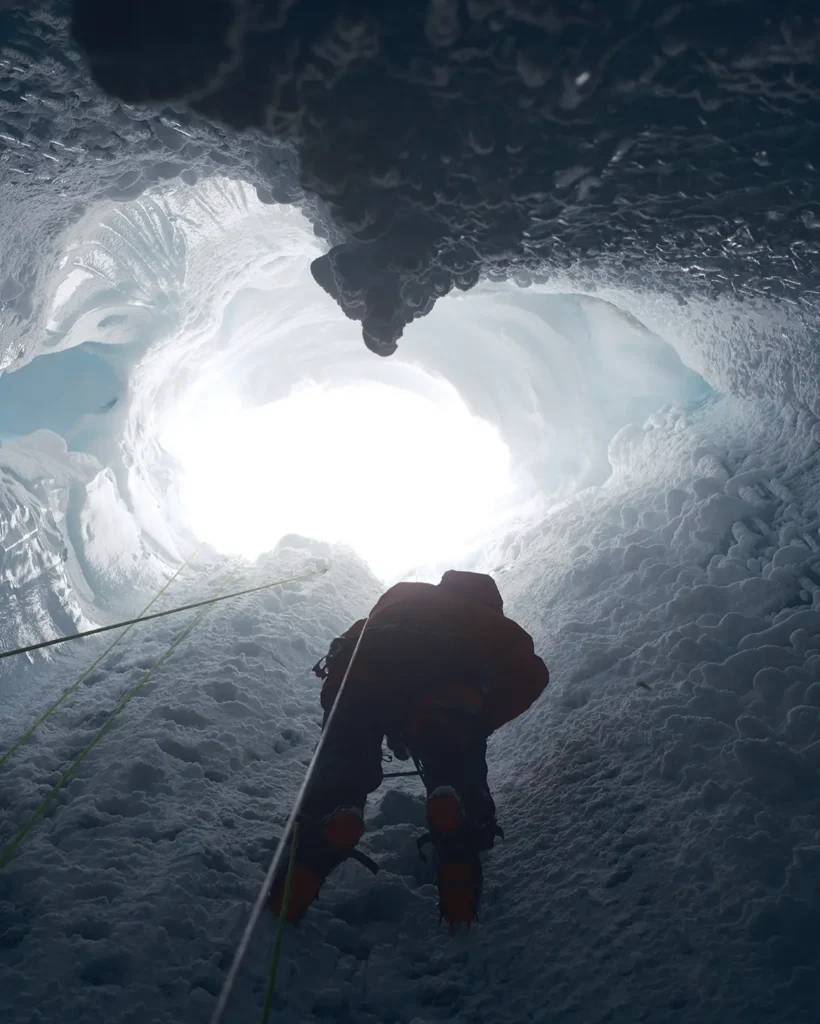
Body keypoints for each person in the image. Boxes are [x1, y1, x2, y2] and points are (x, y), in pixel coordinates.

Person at [270, 570, 549, 932]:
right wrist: (480, 720)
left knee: (344, 762)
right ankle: (459, 816)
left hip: (362, 671)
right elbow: (533, 675)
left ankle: (329, 822)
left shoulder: (403, 594)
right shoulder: (488, 619)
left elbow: (354, 637)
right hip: (446, 681)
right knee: (455, 758)